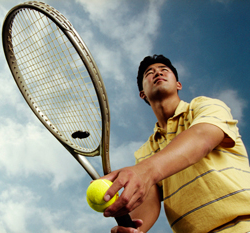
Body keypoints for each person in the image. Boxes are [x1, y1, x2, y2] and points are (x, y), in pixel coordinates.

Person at [102, 55, 250, 233]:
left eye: (164, 70)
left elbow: (201, 137)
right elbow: (147, 202)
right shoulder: (145, 152)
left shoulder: (204, 106)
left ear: (178, 84)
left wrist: (146, 170)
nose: (157, 73)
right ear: (143, 94)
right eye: (150, 73)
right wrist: (133, 229)